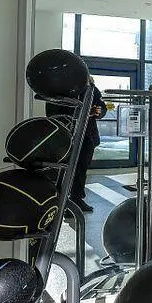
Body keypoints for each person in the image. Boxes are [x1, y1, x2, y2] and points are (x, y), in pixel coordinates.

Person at [46, 77, 107, 212]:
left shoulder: (92, 89)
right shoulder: (60, 89)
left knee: (81, 168)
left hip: (87, 135)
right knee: (62, 169)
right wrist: (83, 113)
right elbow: (53, 113)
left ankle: (77, 199)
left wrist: (99, 111)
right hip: (65, 135)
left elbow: (101, 107)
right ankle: (59, 200)